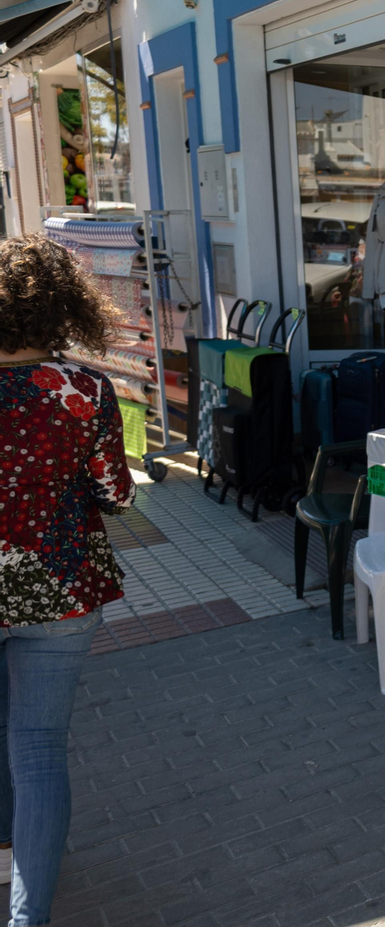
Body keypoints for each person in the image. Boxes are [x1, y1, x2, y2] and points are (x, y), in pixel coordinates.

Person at [0, 234, 136, 926]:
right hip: (62, 590)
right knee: (39, 752)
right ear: (62, 308)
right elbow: (117, 494)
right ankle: (29, 917)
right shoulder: (84, 389)